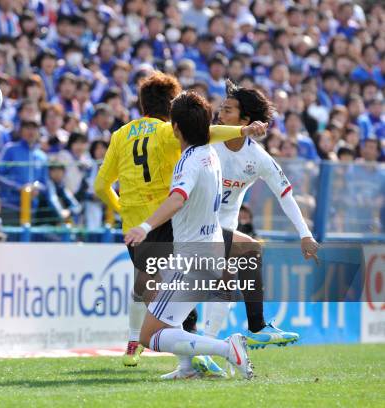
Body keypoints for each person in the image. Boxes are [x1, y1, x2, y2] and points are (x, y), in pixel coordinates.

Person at [94, 72, 267, 368]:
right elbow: (207, 133)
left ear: (141, 103)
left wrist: (122, 208)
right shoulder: (168, 133)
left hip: (135, 230)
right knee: (181, 300)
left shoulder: (120, 135)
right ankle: (214, 348)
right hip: (169, 223)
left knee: (147, 289)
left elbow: (100, 186)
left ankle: (141, 344)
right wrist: (242, 131)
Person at [124, 91, 253, 379]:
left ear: (176, 128)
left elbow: (177, 198)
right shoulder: (211, 153)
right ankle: (186, 367)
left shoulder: (190, 160)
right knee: (169, 312)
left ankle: (226, 348)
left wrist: (144, 227)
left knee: (150, 335)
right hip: (210, 250)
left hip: (193, 259)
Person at [206, 81, 319, 352]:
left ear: (246, 118)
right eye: (221, 108)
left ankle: (202, 350)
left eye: (229, 110)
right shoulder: (208, 141)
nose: (221, 113)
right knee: (249, 252)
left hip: (223, 228)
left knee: (224, 286)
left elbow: (286, 195)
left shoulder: (258, 158)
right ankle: (255, 327)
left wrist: (305, 234)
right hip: (195, 225)